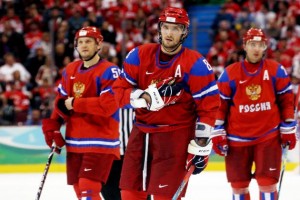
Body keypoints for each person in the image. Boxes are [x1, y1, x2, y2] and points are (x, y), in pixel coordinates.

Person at [112, 7, 220, 200]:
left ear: (184, 32)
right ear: (159, 29)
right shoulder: (139, 55)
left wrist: (202, 143)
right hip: (141, 133)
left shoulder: (195, 64)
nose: (170, 33)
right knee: (129, 194)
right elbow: (118, 93)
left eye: (176, 29)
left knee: (165, 196)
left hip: (176, 135)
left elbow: (209, 107)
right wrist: (144, 98)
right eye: (166, 27)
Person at [211, 28, 297, 200]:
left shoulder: (276, 70)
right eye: (252, 44)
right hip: (237, 140)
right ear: (245, 46)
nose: (256, 48)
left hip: (268, 137)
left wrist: (288, 127)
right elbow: (220, 106)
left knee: (267, 183)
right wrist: (218, 132)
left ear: (265, 46)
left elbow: (286, 101)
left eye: (260, 44)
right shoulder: (230, 73)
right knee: (239, 186)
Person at [41, 26, 121, 200]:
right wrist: (53, 127)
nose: (84, 46)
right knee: (80, 192)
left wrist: (75, 103)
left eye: (89, 42)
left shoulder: (110, 70)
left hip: (101, 141)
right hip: (75, 142)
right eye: (81, 42)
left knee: (88, 190)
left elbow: (108, 106)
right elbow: (61, 103)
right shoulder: (70, 70)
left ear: (98, 45)